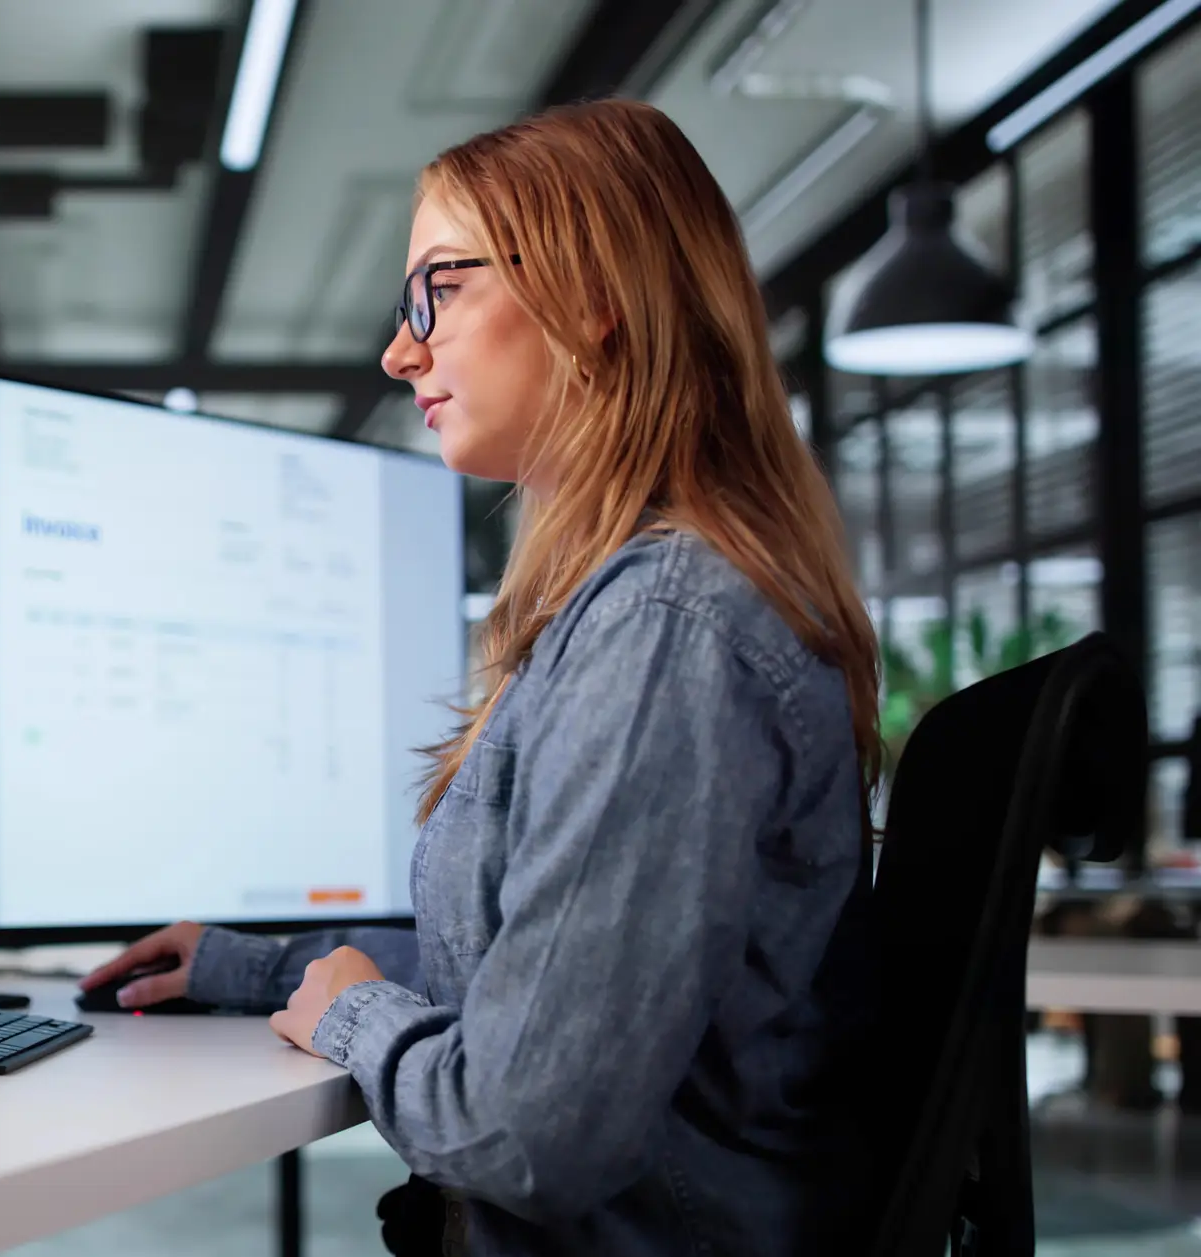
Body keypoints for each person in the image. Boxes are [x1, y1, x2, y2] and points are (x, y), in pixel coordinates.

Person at [80, 98, 881, 1256]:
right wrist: (251, 965)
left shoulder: (663, 630)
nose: (399, 352)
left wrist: (353, 1014)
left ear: (592, 294)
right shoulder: (638, 610)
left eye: (437, 290)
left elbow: (521, 1133)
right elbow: (523, 970)